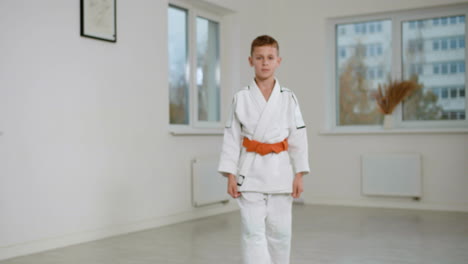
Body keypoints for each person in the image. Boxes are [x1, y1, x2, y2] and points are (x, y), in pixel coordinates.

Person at [218, 35, 310, 264]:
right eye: (259, 58)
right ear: (251, 61)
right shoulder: (240, 98)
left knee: (280, 234)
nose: (265, 62)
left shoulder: (288, 98)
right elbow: (231, 137)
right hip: (249, 173)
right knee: (252, 232)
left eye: (270, 57)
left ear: (278, 61)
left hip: (280, 173)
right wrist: (230, 174)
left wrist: (299, 173)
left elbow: (299, 136)